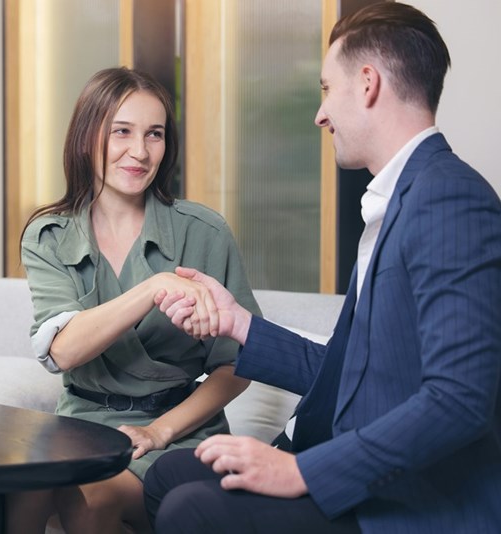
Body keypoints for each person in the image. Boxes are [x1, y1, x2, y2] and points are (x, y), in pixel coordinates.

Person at [144, 3, 501, 533]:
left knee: (189, 509)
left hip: (414, 502)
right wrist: (237, 323)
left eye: (326, 89)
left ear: (367, 83)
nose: (320, 114)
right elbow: (348, 374)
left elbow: (461, 400)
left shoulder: (448, 198)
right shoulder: (399, 200)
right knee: (169, 475)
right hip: (363, 471)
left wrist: (303, 471)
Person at [13, 66, 261, 533]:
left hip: (181, 431)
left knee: (91, 498)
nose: (140, 152)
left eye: (155, 135)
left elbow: (240, 364)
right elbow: (63, 349)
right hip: (83, 424)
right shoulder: (48, 236)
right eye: (121, 132)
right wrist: (153, 287)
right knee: (19, 488)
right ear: (88, 137)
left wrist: (160, 430)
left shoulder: (204, 232)